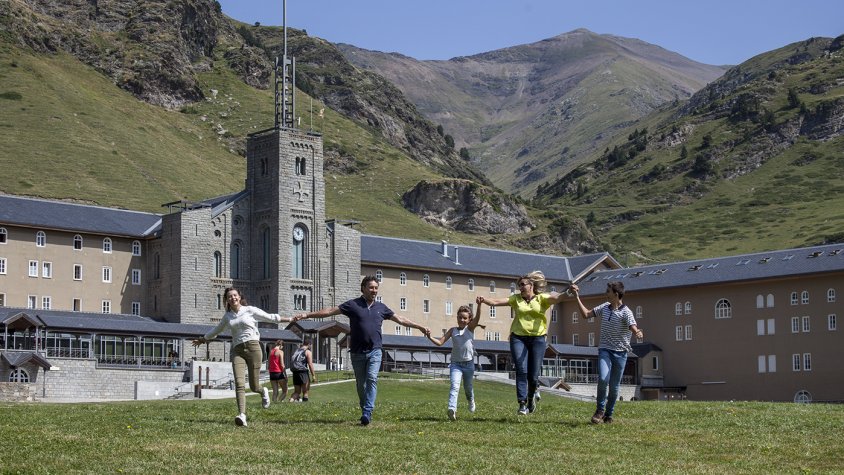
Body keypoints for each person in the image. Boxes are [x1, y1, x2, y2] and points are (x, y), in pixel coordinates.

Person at [294, 275, 431, 426]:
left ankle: (367, 412)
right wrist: (307, 315)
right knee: (361, 384)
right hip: (357, 352)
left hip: (375, 350)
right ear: (363, 288)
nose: (374, 291)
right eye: (371, 288)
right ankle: (364, 407)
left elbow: (400, 319)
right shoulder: (353, 305)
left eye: (376, 288)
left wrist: (419, 326)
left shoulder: (381, 308)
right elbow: (330, 311)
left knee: (372, 378)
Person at [192, 287, 293, 427]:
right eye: (229, 297)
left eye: (234, 295)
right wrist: (203, 339)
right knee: (239, 383)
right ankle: (242, 415)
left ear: (239, 297)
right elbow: (216, 331)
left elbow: (270, 317)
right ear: (226, 300)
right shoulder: (227, 317)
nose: (232, 298)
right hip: (237, 350)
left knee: (253, 386)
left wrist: (290, 319)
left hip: (253, 349)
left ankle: (262, 390)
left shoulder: (249, 310)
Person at [477, 270, 566, 415]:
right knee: (521, 370)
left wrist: (568, 293)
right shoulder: (516, 299)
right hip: (518, 337)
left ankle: (531, 399)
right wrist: (484, 299)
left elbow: (557, 298)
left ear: (531, 285)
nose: (521, 287)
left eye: (523, 284)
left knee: (533, 375)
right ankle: (522, 403)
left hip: (538, 339)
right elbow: (496, 302)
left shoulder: (541, 299)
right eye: (519, 285)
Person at [571, 281, 643, 424]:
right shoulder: (604, 307)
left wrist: (638, 333)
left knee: (614, 387)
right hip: (604, 350)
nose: (606, 293)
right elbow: (586, 314)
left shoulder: (626, 312)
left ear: (616, 294)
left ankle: (609, 415)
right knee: (603, 379)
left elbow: (633, 326)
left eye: (608, 291)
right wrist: (576, 296)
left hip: (621, 353)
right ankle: (599, 411)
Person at [426, 299, 483, 421]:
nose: (462, 320)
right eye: (460, 317)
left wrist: (479, 305)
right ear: (457, 317)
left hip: (468, 364)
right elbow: (440, 342)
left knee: (468, 387)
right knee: (454, 385)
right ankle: (452, 409)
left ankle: (471, 401)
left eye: (465, 318)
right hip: (456, 364)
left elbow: (477, 319)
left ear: (469, 320)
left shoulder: (470, 329)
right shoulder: (453, 330)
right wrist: (429, 336)